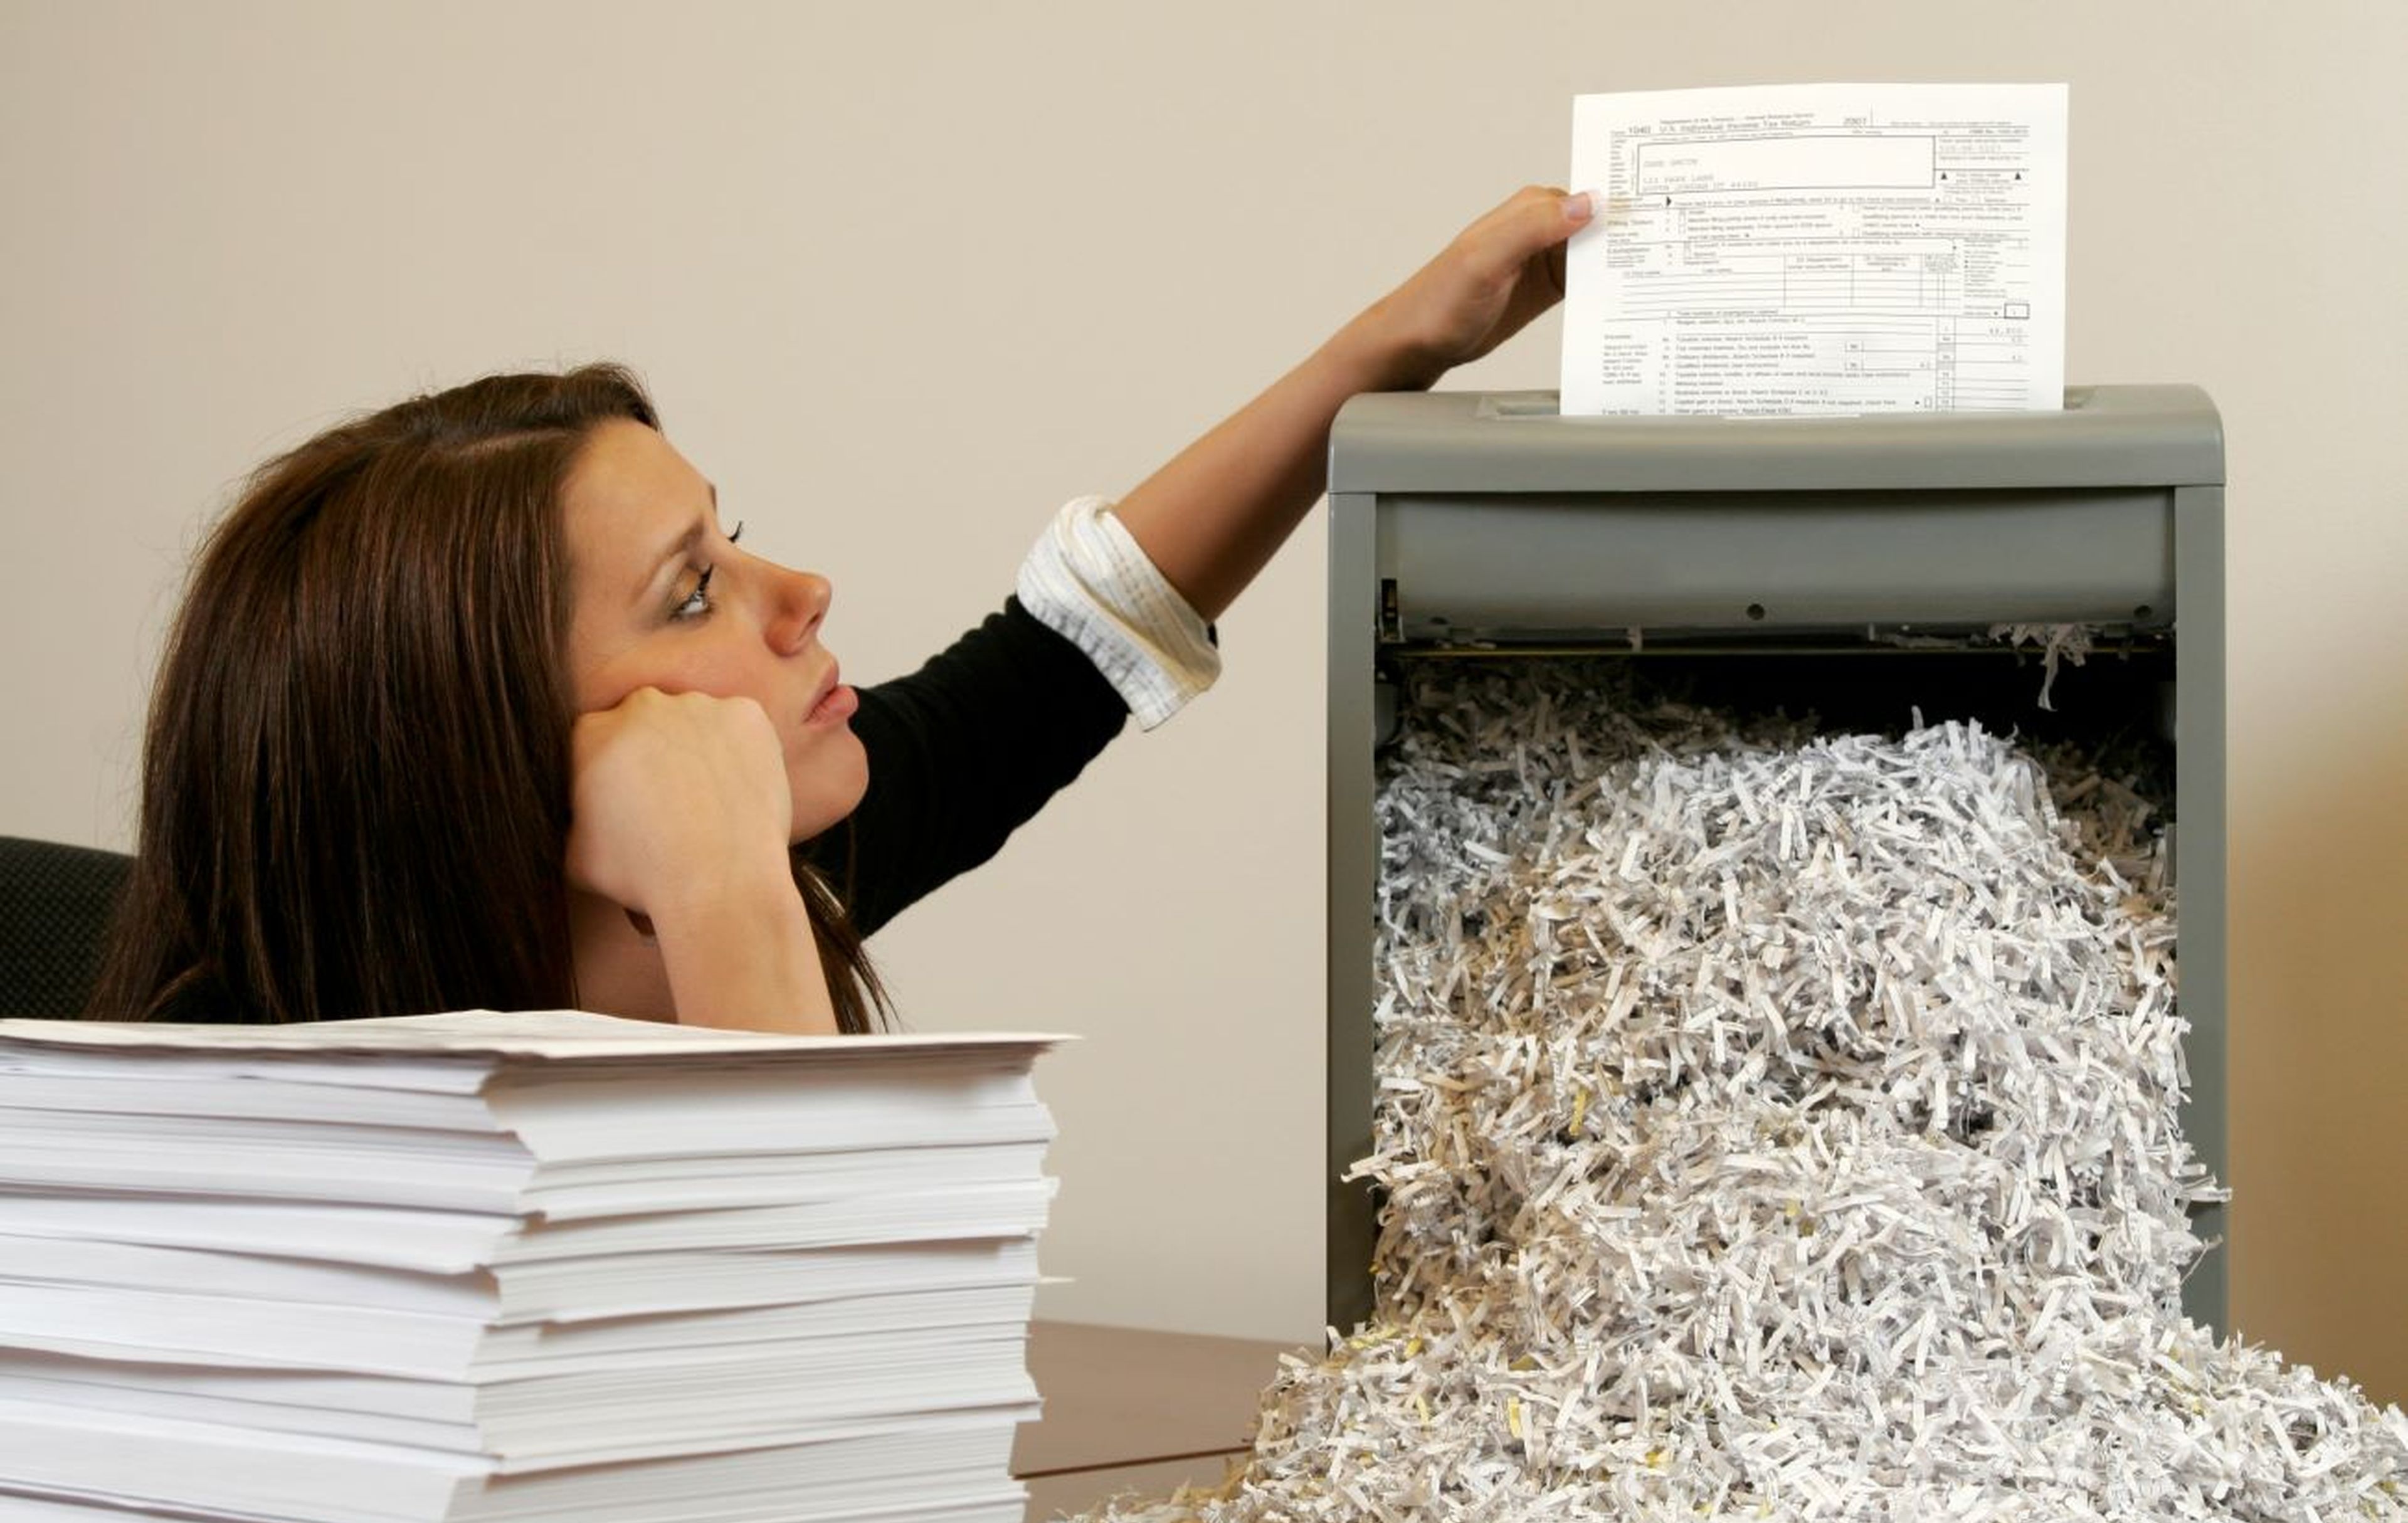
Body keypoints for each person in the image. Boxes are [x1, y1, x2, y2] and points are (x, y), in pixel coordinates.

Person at [89, 187, 1598, 1031]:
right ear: (481, 762)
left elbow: (1063, 653)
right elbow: (806, 1373)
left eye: (730, 542)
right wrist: (726, 896)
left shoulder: (751, 864)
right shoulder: (256, 1150)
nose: (804, 595)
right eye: (695, 594)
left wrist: (1407, 341)